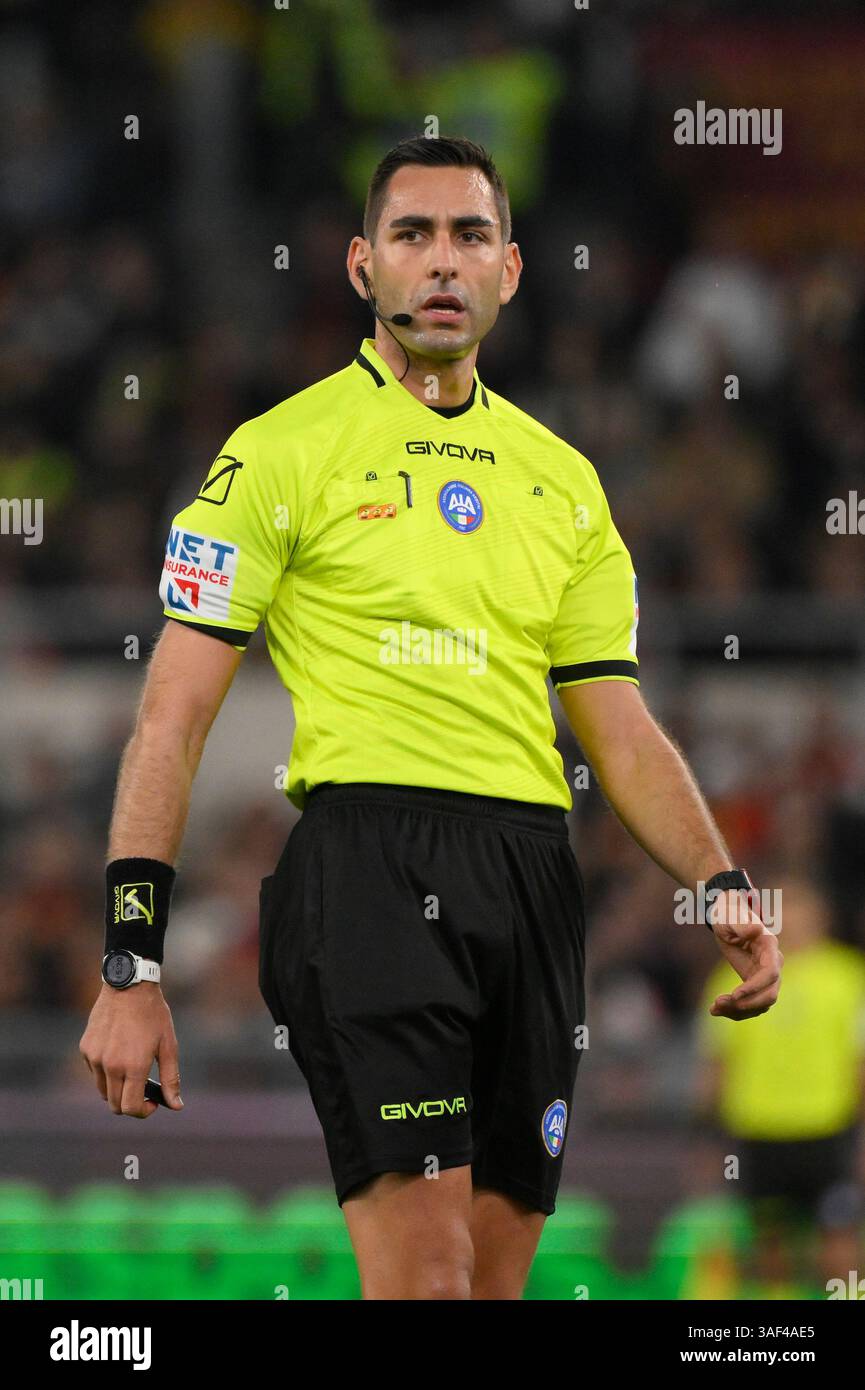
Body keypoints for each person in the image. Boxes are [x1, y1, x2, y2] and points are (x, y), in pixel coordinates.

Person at [79, 135, 782, 1301]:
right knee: (430, 1280)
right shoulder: (277, 454)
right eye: (412, 235)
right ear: (363, 266)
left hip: (533, 874)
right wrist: (130, 959)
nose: (441, 263)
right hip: (369, 867)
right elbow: (170, 720)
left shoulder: (563, 481)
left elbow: (616, 722)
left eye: (468, 236)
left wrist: (717, 882)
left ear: (511, 269)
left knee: (487, 1290)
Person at [697, 872, 865, 1298]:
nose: (792, 918)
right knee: (769, 1245)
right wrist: (703, 1138)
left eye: (800, 907)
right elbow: (718, 1063)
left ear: (822, 916)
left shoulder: (848, 977)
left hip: (826, 1128)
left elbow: (859, 1062)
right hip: (759, 1128)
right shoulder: (733, 974)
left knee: (839, 1235)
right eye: (782, 909)